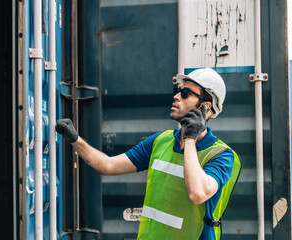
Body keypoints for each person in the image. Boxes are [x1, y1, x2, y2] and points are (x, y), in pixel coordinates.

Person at [56, 67, 241, 240]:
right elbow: (108, 165)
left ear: (205, 107)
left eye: (185, 93)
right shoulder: (161, 141)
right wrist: (75, 139)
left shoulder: (221, 155)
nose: (177, 96)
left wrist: (191, 139)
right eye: (178, 90)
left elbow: (197, 193)